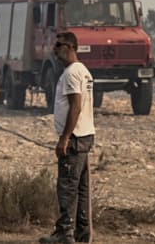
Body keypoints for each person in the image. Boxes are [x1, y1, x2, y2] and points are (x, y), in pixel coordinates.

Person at [40, 31, 95, 244]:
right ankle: (82, 233)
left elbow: (75, 106)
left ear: (71, 47)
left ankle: (64, 234)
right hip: (84, 136)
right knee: (81, 188)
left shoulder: (72, 73)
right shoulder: (83, 71)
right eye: (55, 46)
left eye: (59, 45)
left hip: (74, 138)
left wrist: (64, 139)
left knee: (67, 187)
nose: (55, 49)